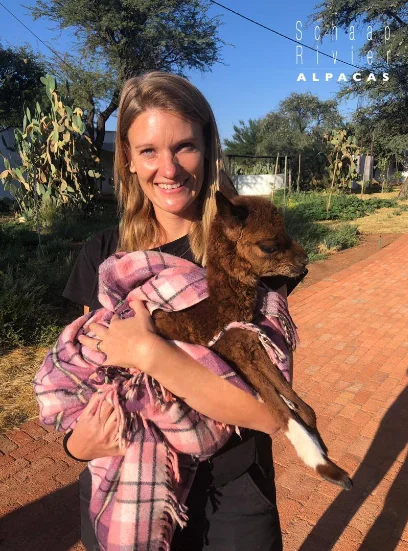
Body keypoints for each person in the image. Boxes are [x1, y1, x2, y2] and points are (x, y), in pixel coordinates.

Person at [62, 71, 305, 550]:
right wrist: (75, 445)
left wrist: (151, 356)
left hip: (232, 489)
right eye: (149, 150)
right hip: (131, 487)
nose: (168, 169)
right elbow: (86, 376)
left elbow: (268, 414)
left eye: (185, 147)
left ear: (209, 148)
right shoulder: (103, 256)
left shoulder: (245, 249)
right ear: (127, 160)